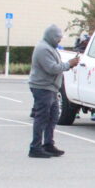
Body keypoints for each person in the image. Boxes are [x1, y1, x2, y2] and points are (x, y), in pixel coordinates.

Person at [28, 24, 79, 158]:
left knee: (53, 116)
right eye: (58, 38)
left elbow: (55, 66)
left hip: (50, 87)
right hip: (42, 87)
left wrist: (68, 64)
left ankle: (48, 144)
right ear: (51, 37)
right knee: (42, 117)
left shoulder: (50, 47)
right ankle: (35, 147)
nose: (59, 41)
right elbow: (52, 68)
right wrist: (69, 64)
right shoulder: (43, 49)